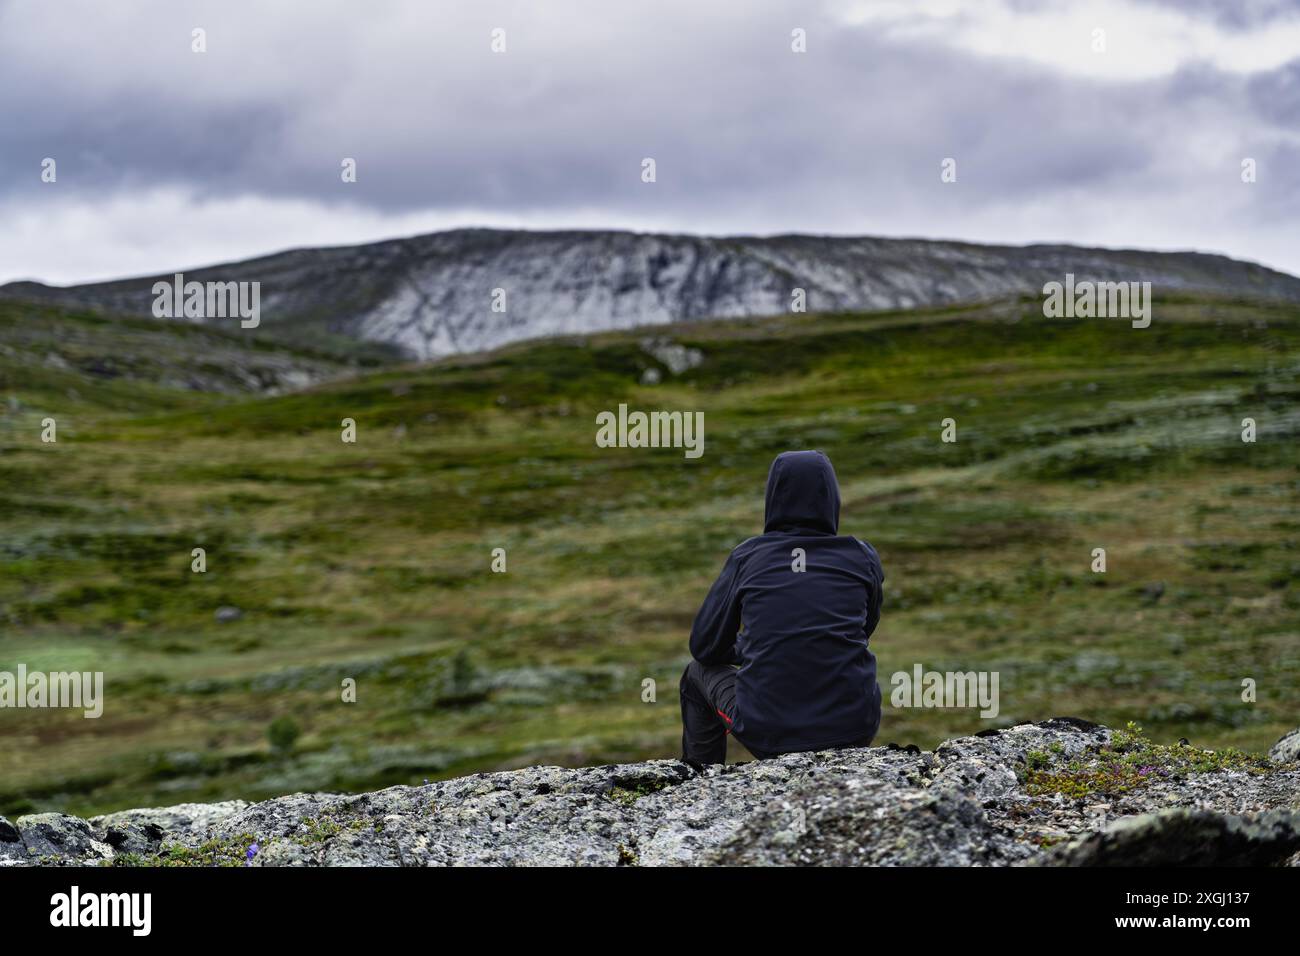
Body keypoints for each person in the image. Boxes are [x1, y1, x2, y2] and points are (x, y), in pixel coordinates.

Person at [679, 450, 884, 765]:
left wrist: (757, 649)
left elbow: (704, 648)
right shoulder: (861, 555)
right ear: (832, 497)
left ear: (773, 497)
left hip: (769, 734)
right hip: (854, 729)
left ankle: (702, 781)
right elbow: (863, 629)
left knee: (696, 674)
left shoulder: (749, 557)